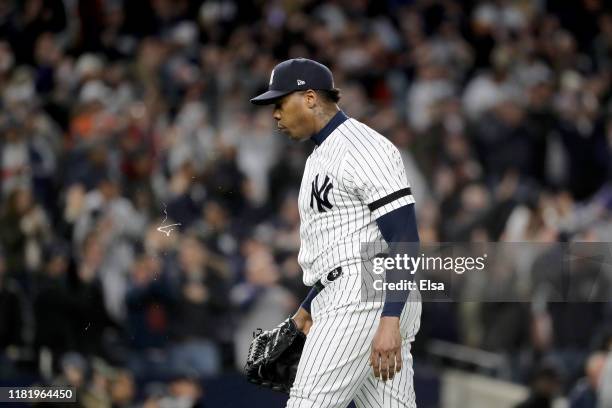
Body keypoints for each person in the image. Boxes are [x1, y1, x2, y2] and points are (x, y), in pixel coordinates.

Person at [251, 58, 421, 407]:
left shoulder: (363, 147)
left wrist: (390, 319)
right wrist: (306, 310)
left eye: (280, 103)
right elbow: (340, 249)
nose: (275, 115)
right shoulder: (319, 155)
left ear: (310, 98)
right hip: (351, 292)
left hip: (366, 295)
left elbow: (404, 237)